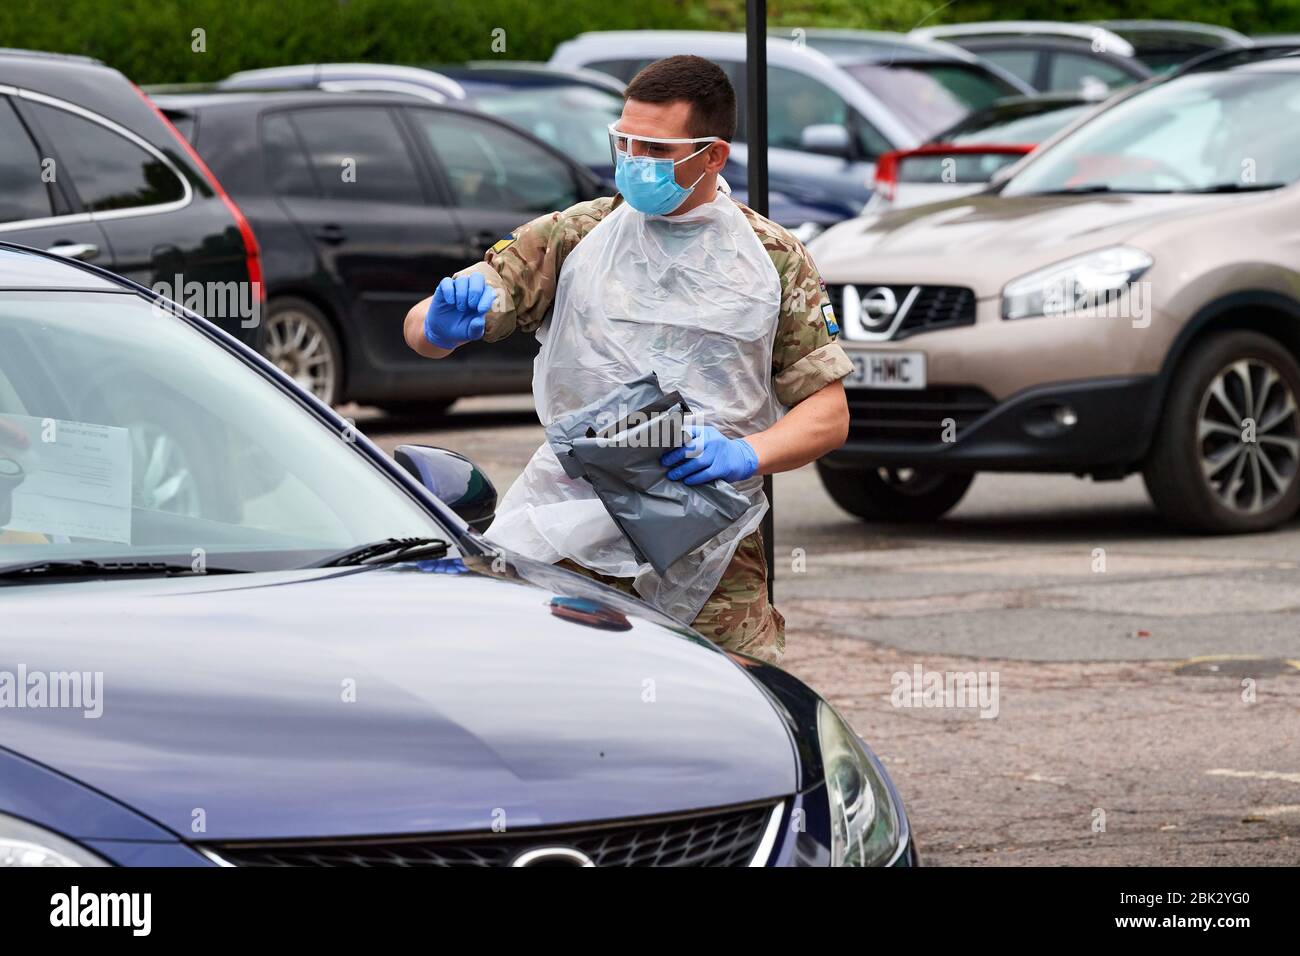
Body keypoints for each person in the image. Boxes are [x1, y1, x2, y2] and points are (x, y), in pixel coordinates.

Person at [403, 55, 852, 663]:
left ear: (713, 156)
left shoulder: (772, 261)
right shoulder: (574, 237)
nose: (634, 161)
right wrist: (439, 326)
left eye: (656, 149)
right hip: (574, 528)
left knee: (736, 707)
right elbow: (422, 330)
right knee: (565, 697)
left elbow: (828, 414)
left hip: (711, 542)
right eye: (625, 141)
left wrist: (745, 453)